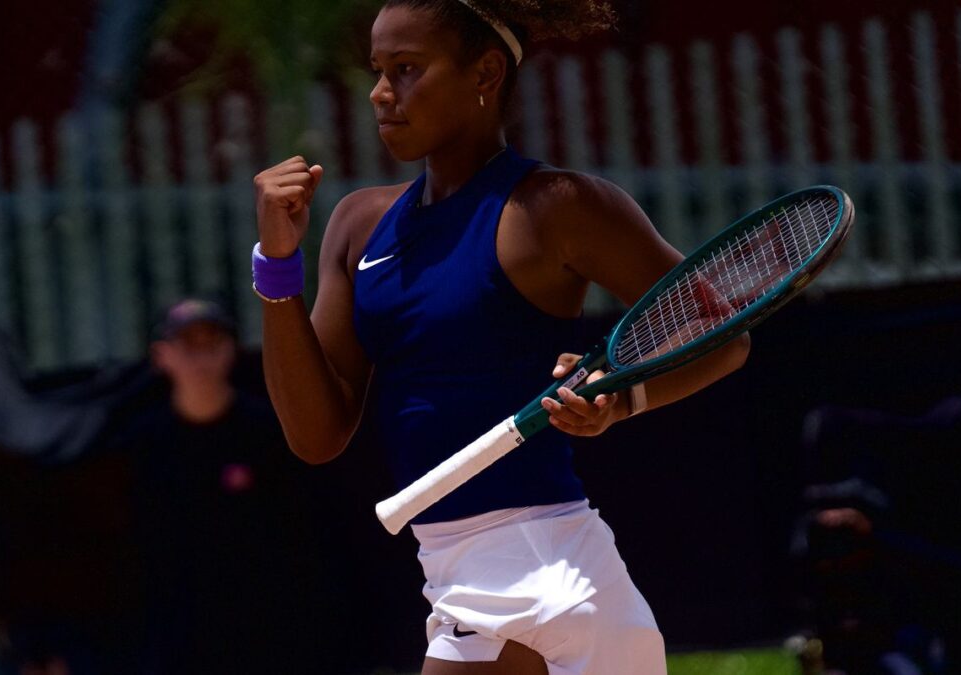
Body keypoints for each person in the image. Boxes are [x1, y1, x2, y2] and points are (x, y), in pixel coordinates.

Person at [251, 2, 751, 673]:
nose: (379, 92)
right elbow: (316, 435)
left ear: (484, 71)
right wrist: (277, 267)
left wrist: (620, 398)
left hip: (554, 577)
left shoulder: (558, 208)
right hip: (455, 573)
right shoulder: (357, 226)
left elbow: (722, 334)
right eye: (378, 69)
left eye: (406, 69)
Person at [130, 298, 318, 674]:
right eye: (187, 345)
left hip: (263, 625)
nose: (201, 358)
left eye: (212, 343)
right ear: (161, 355)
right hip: (177, 630)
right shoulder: (142, 443)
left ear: (232, 349)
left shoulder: (266, 432)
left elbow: (299, 532)